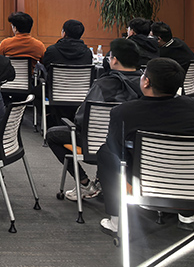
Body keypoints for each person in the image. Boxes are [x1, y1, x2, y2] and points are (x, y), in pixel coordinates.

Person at [97, 58, 194, 236]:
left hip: (146, 183)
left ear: (146, 82)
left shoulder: (124, 112)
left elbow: (115, 149)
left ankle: (116, 221)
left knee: (106, 153)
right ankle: (187, 214)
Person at [45, 38, 142, 201]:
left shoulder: (103, 85)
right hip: (134, 148)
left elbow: (82, 120)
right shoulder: (147, 85)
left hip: (96, 146)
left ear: (114, 60)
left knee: (52, 135)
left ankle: (84, 183)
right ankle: (102, 180)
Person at [42, 19, 94, 126]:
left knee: (36, 91)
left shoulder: (52, 50)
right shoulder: (87, 53)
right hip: (80, 94)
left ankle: (48, 117)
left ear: (64, 33)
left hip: (55, 93)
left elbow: (45, 67)